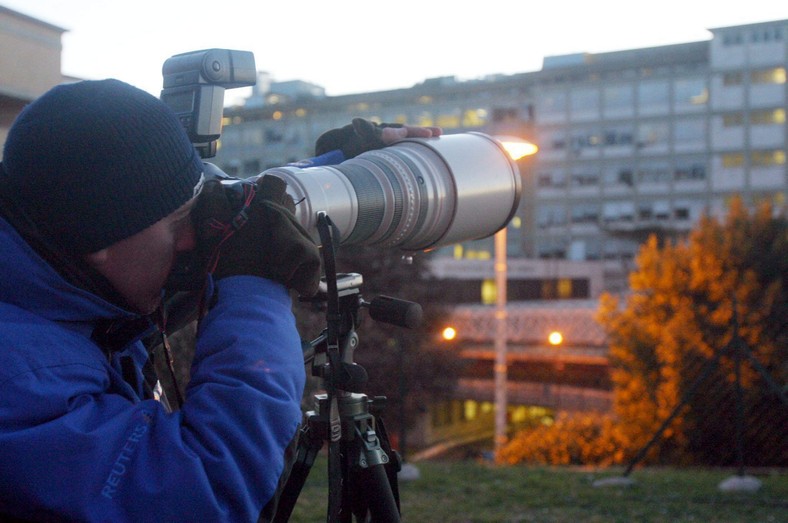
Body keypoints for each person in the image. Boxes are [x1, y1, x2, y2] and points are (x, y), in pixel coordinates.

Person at [0, 79, 440, 522]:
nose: (191, 240)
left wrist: (338, 166)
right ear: (99, 239)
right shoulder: (19, 378)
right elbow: (210, 487)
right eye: (179, 222)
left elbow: (213, 209)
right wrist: (254, 281)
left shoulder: (65, 281)